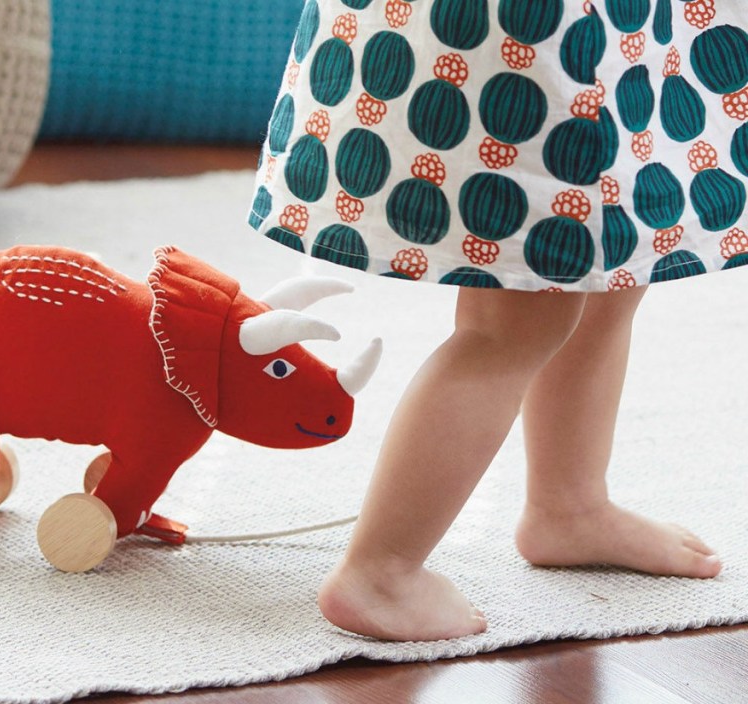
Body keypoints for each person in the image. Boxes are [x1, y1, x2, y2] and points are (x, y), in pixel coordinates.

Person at [248, 0, 743, 641]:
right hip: (535, 37)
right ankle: (381, 571)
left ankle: (570, 504)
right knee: (514, 319)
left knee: (612, 268)